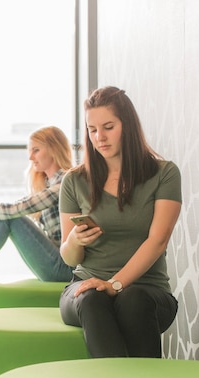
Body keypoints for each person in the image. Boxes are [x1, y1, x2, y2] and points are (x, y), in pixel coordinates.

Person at [59, 86, 181, 358]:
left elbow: (158, 240)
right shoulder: (75, 180)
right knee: (92, 297)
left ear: (128, 126)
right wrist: (75, 241)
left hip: (148, 292)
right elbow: (69, 258)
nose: (99, 137)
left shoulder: (165, 174)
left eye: (108, 127)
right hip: (85, 291)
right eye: (92, 130)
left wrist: (114, 284)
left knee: (132, 299)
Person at [0, 126, 75, 293]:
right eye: (30, 151)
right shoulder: (47, 185)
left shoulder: (68, 181)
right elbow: (12, 212)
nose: (30, 157)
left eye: (36, 150)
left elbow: (19, 209)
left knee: (13, 216)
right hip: (57, 264)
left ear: (54, 149)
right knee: (10, 216)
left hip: (67, 269)